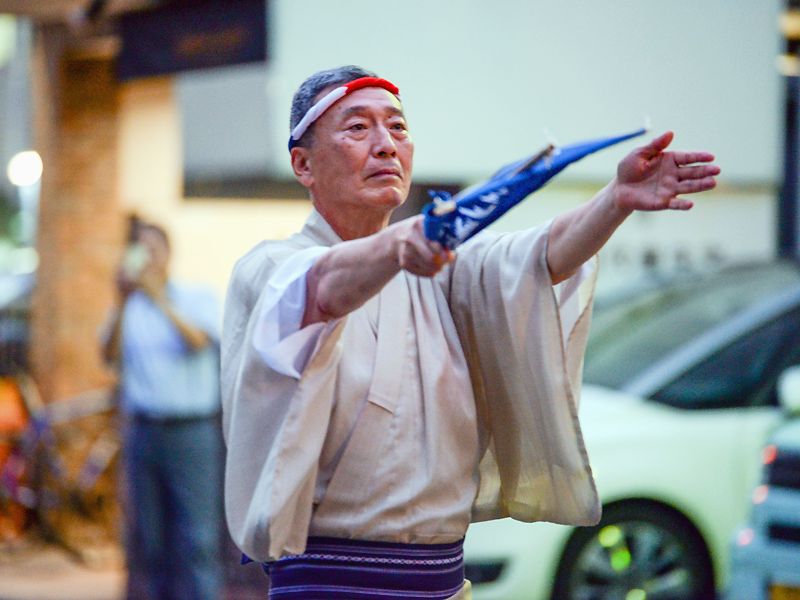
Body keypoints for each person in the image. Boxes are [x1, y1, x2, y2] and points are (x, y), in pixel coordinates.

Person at [221, 65, 720, 600]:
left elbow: (538, 256)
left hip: (444, 583)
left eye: (397, 127)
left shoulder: (438, 270)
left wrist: (615, 199)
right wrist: (401, 244)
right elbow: (321, 287)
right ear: (303, 164)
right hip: (329, 584)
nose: (386, 144)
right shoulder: (273, 268)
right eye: (358, 128)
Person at [102, 219, 224, 600]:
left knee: (197, 540)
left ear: (168, 254)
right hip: (143, 431)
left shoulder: (195, 296)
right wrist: (122, 302)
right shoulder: (129, 308)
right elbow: (108, 356)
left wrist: (158, 297)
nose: (146, 259)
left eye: (153, 250)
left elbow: (197, 341)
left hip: (191, 432)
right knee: (148, 540)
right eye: (140, 250)